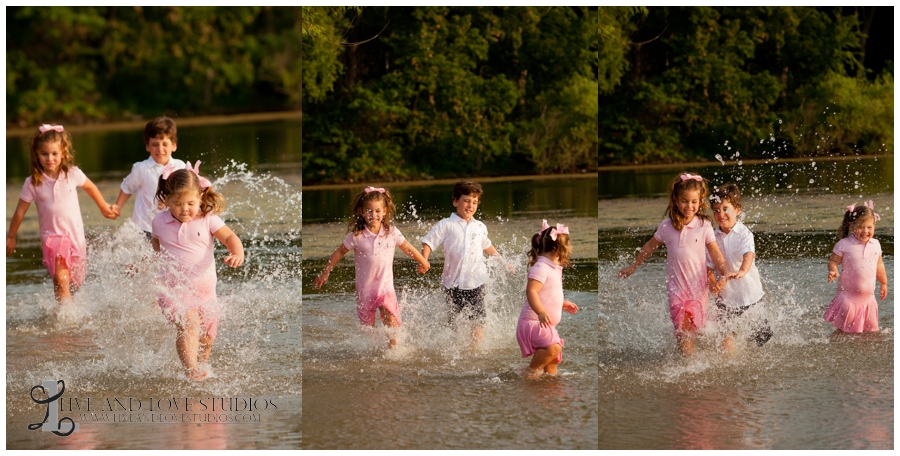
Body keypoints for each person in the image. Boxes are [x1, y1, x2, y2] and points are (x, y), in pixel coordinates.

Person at [152, 161, 244, 380]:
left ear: (201, 198)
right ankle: (190, 369)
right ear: (166, 200)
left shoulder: (208, 219)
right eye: (177, 203)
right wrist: (142, 263)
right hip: (174, 290)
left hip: (206, 294)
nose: (184, 209)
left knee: (206, 339)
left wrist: (236, 252)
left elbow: (230, 237)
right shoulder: (159, 221)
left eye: (190, 203)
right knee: (189, 323)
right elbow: (155, 249)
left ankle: (201, 368)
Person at [618, 172, 728, 355]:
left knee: (699, 329)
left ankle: (702, 361)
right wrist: (634, 265)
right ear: (676, 201)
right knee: (683, 334)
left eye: (694, 201)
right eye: (685, 201)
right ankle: (687, 365)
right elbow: (650, 246)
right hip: (677, 290)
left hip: (698, 288)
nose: (689, 206)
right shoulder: (666, 226)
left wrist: (723, 274)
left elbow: (715, 252)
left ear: (700, 201)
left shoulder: (704, 225)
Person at [6, 124, 118, 304]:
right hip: (53, 239)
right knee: (60, 278)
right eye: (44, 154)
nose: (49, 158)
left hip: (75, 236)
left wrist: (103, 206)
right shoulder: (33, 183)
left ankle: (64, 314)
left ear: (63, 153)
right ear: (37, 155)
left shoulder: (72, 174)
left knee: (73, 283)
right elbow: (20, 211)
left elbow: (90, 187)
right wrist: (11, 236)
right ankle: (66, 320)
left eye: (54, 154)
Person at [312, 186, 429, 349]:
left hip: (385, 286)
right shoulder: (357, 236)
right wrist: (325, 273)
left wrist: (423, 261)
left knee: (390, 318)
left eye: (377, 211)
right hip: (365, 289)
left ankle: (393, 351)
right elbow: (339, 252)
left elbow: (407, 247)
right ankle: (376, 352)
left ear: (385, 211)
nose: (373, 215)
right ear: (361, 212)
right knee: (368, 330)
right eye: (369, 211)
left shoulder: (391, 232)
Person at [422, 181, 508, 344]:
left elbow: (487, 246)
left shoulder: (479, 226)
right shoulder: (446, 225)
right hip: (452, 283)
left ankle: (475, 350)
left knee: (478, 320)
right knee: (455, 322)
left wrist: (503, 263)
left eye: (474, 202)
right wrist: (424, 260)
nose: (471, 205)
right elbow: (428, 243)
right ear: (455, 201)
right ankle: (456, 347)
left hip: (476, 281)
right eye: (467, 200)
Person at [705, 184, 772, 352]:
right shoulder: (711, 237)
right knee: (727, 334)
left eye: (725, 209)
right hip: (726, 298)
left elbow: (749, 254)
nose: (720, 214)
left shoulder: (744, 233)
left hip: (750, 295)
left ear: (737, 210)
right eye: (716, 210)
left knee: (761, 340)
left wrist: (742, 271)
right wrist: (712, 283)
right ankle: (730, 365)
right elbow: (708, 266)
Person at [516, 220, 579, 378]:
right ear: (558, 250)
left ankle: (549, 385)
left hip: (543, 323)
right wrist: (541, 311)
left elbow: (548, 293)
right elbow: (531, 291)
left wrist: (561, 304)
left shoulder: (553, 268)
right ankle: (529, 374)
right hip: (533, 322)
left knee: (553, 361)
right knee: (553, 348)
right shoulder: (541, 267)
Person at [112, 116, 186, 239]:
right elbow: (127, 188)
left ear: (173, 146)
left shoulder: (180, 166)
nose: (160, 149)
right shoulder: (141, 168)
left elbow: (188, 190)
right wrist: (118, 207)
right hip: (145, 227)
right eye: (155, 144)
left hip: (172, 225)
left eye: (165, 144)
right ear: (148, 146)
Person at [823, 201, 888, 333]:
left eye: (869, 227)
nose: (865, 231)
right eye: (861, 227)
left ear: (874, 225)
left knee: (871, 334)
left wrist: (884, 283)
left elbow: (879, 265)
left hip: (869, 301)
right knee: (845, 334)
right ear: (852, 226)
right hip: (848, 300)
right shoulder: (844, 244)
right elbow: (833, 261)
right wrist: (833, 270)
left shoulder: (876, 244)